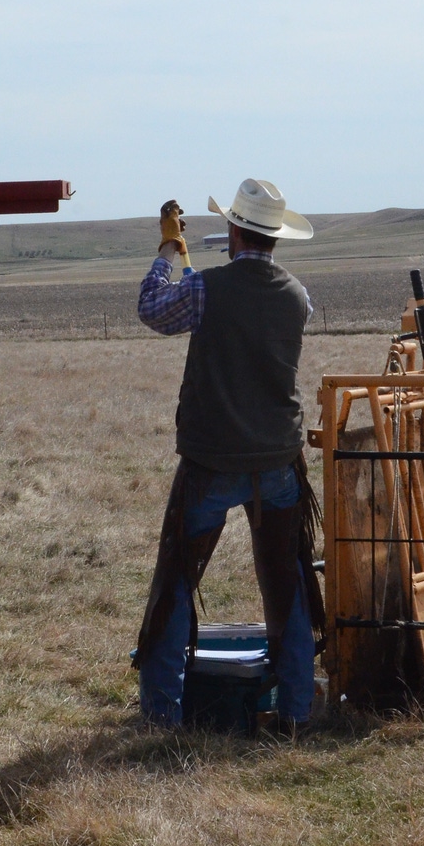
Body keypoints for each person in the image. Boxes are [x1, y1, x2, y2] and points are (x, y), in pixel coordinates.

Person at [134, 178, 324, 731]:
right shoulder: (298, 296)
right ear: (275, 238)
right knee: (285, 585)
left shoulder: (206, 289)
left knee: (175, 583)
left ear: (235, 230)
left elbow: (153, 309)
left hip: (212, 460)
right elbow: (239, 312)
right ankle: (296, 711)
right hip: (279, 461)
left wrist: (169, 254)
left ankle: (162, 716)